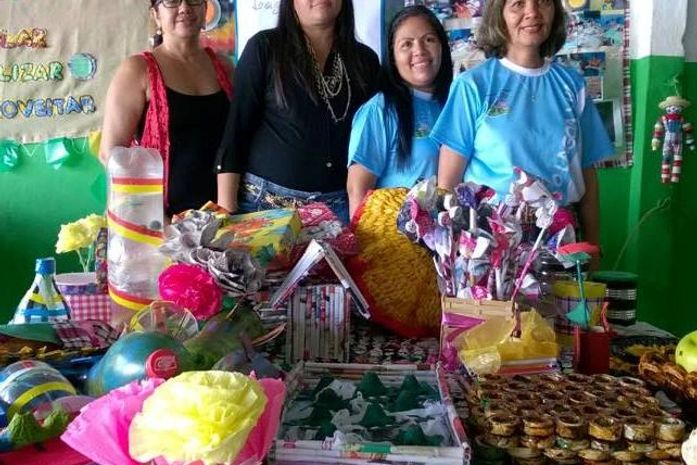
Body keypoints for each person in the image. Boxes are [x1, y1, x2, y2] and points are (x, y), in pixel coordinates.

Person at [432, 0, 613, 255]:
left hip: (563, 242)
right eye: (518, 4)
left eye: (543, 2)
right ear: (500, 14)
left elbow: (587, 174)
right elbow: (448, 183)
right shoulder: (473, 86)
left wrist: (593, 247)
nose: (532, 12)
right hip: (491, 245)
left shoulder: (572, 85)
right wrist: (453, 254)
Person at [215, 0, 380, 223]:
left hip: (338, 211)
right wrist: (227, 212)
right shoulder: (264, 47)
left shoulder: (365, 60)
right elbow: (236, 131)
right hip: (263, 207)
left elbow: (374, 142)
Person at [99, 0, 232, 217]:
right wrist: (155, 217)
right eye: (171, 1)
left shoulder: (224, 67)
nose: (185, 8)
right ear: (156, 15)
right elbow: (111, 154)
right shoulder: (137, 70)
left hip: (221, 215)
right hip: (159, 219)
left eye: (194, 0)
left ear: (205, 8)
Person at [346, 6, 453, 218]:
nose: (419, 50)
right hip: (397, 235)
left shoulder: (456, 103)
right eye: (407, 44)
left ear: (442, 46)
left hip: (454, 233)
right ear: (393, 57)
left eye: (429, 40)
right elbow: (358, 190)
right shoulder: (380, 110)